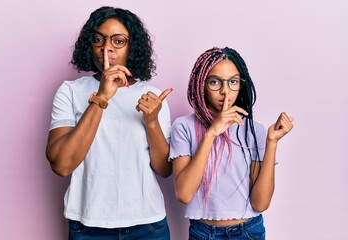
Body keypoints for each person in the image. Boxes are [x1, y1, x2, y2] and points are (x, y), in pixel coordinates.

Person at [46, 6, 172, 240]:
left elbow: (165, 170)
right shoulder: (70, 91)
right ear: (89, 45)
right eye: (98, 39)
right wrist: (101, 97)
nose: (107, 48)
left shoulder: (152, 96)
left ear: (132, 46)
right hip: (88, 225)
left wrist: (152, 122)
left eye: (118, 41)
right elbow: (61, 165)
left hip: (147, 225)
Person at [169, 47, 294, 240]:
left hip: (248, 231)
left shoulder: (255, 131)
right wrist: (211, 133)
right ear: (201, 84)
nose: (225, 91)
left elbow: (260, 203)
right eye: (214, 82)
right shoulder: (184, 127)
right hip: (203, 233)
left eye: (233, 82)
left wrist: (271, 143)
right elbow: (184, 194)